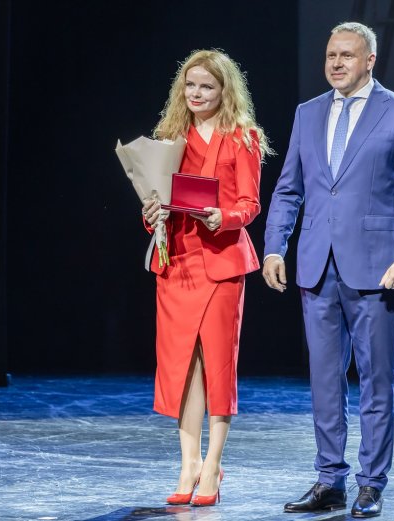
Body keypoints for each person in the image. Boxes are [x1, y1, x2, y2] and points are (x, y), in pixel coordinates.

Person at [262, 22, 394, 518]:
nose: (336, 63)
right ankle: (329, 480)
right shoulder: (308, 113)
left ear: (369, 61)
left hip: (377, 269)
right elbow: (289, 188)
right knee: (324, 381)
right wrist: (275, 247)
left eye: (347, 55)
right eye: (330, 55)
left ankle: (371, 484)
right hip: (316, 266)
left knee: (375, 382)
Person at [142, 49, 272, 507]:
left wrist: (225, 216)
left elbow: (250, 204)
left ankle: (213, 463)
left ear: (224, 90)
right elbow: (155, 201)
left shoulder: (243, 138)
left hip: (220, 261)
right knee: (181, 364)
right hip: (177, 261)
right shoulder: (169, 137)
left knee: (216, 363)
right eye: (191, 85)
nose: (196, 94)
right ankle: (188, 463)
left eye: (207, 86)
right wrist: (152, 213)